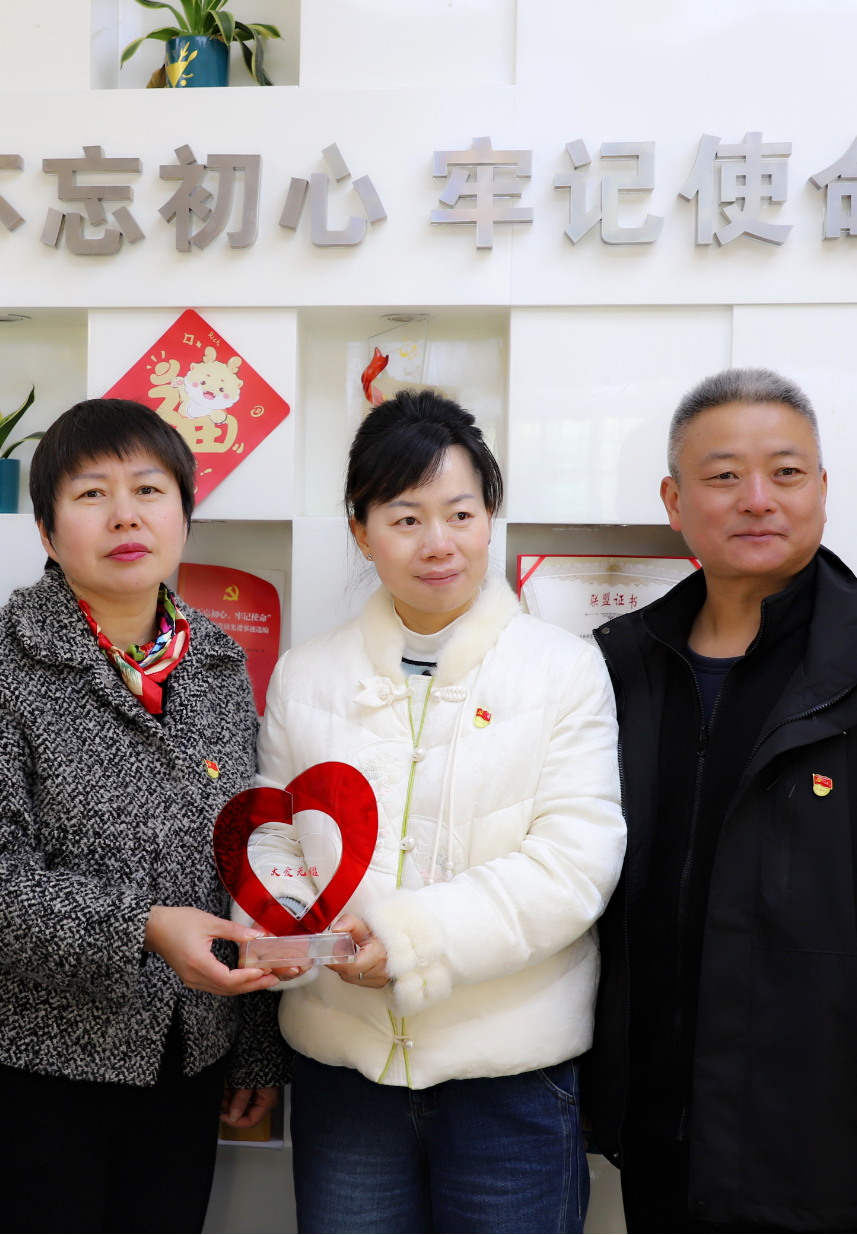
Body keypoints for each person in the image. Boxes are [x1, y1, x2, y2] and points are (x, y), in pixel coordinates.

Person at [586, 369, 857, 1233]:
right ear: (674, 501)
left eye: (785, 473)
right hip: (656, 1149)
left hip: (830, 1162)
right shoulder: (616, 670)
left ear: (821, 489)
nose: (757, 498)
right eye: (723, 475)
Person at [0, 398, 293, 1234]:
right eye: (90, 494)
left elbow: (245, 862)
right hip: (23, 1065)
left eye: (148, 489)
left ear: (183, 514)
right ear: (46, 529)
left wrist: (251, 1043)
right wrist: (140, 926)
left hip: (183, 1061)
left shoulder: (217, 663)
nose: (124, 515)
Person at [250, 390, 626, 1233]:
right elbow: (274, 834)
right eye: (405, 517)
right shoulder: (307, 673)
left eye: (460, 512)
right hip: (344, 1071)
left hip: (510, 1078)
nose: (438, 542)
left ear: (490, 516)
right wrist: (288, 934)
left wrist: (411, 941)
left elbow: (573, 862)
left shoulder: (562, 670)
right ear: (361, 530)